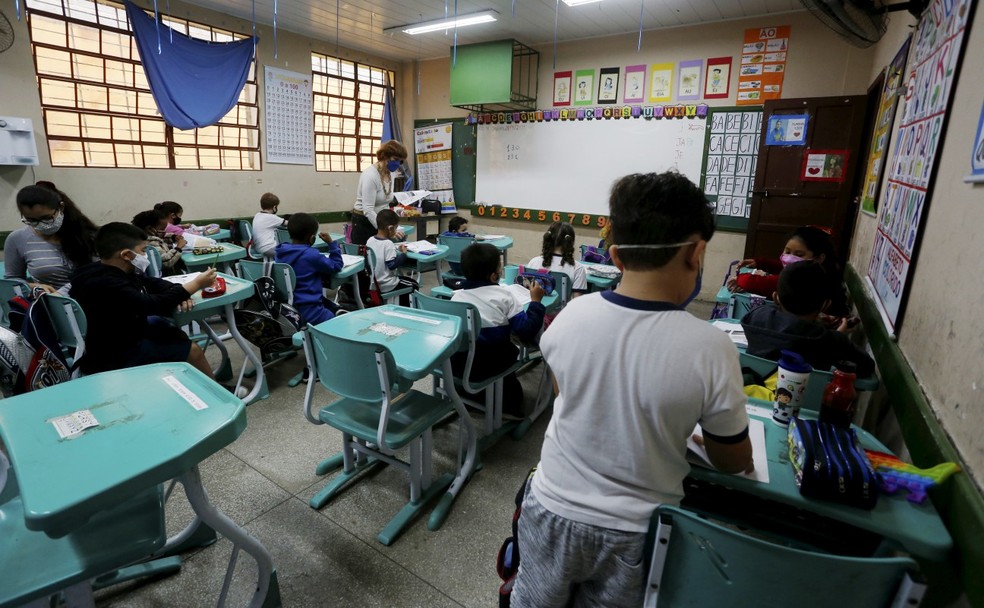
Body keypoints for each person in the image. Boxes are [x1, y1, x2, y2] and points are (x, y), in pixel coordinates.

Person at [511, 172, 753, 607]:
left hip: (549, 508)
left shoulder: (569, 317)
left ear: (616, 255)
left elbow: (568, 397)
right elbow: (734, 461)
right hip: (637, 535)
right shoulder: (712, 347)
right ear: (697, 252)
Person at [69, 222, 217, 377]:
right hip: (115, 353)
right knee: (193, 351)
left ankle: (196, 387)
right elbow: (151, 305)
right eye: (143, 250)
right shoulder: (105, 283)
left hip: (124, 337)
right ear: (126, 255)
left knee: (172, 333)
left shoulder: (111, 270)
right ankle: (218, 396)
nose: (145, 255)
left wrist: (180, 293)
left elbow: (152, 283)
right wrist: (195, 285)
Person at [451, 243, 545, 417]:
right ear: (495, 276)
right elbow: (526, 331)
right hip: (492, 364)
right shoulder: (505, 296)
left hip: (459, 365)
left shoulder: (456, 296)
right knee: (515, 394)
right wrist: (535, 303)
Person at [742, 261, 875, 376]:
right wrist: (837, 337)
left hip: (752, 396)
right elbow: (866, 367)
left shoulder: (757, 316)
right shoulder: (830, 340)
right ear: (825, 304)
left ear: (776, 297)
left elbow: (789, 330)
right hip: (805, 404)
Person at [728, 225, 848, 317]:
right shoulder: (823, 270)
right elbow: (785, 266)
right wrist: (760, 263)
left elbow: (755, 283)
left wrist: (739, 278)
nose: (790, 257)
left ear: (819, 258)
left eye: (799, 254)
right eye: (787, 252)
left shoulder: (804, 280)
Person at [5, 183, 98, 293]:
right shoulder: (17, 239)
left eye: (46, 218)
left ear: (61, 208)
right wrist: (31, 287)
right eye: (31, 220)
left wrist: (62, 293)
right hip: (50, 305)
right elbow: (12, 280)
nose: (41, 224)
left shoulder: (88, 235)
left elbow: (101, 273)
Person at [275, 213, 344, 325]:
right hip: (311, 311)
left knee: (332, 307)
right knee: (340, 323)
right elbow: (336, 265)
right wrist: (332, 244)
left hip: (289, 308)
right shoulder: (311, 255)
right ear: (312, 238)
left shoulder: (280, 252)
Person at [350, 140, 408, 246]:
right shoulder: (370, 175)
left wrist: (393, 226)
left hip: (380, 221)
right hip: (364, 222)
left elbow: (386, 203)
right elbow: (368, 210)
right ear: (385, 156)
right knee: (368, 258)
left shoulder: (392, 174)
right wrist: (385, 229)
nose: (397, 164)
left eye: (400, 161)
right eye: (395, 159)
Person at [366, 209, 418, 305]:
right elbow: (392, 265)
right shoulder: (388, 243)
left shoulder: (370, 240)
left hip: (374, 283)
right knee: (414, 284)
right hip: (387, 284)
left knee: (404, 280)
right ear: (390, 228)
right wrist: (404, 254)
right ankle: (404, 308)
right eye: (396, 228)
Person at [526, 221, 588, 295]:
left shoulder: (533, 262)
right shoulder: (578, 268)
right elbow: (577, 301)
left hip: (535, 305)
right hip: (563, 307)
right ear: (571, 241)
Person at [131, 209, 186, 276]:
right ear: (149, 229)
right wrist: (178, 248)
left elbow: (162, 239)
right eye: (162, 229)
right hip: (166, 276)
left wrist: (173, 237)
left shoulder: (149, 237)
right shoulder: (151, 243)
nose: (164, 231)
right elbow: (166, 262)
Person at [252, 192, 286, 258]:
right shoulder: (271, 217)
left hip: (258, 248)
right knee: (291, 254)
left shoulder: (257, 215)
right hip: (268, 249)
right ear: (274, 207)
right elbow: (290, 223)